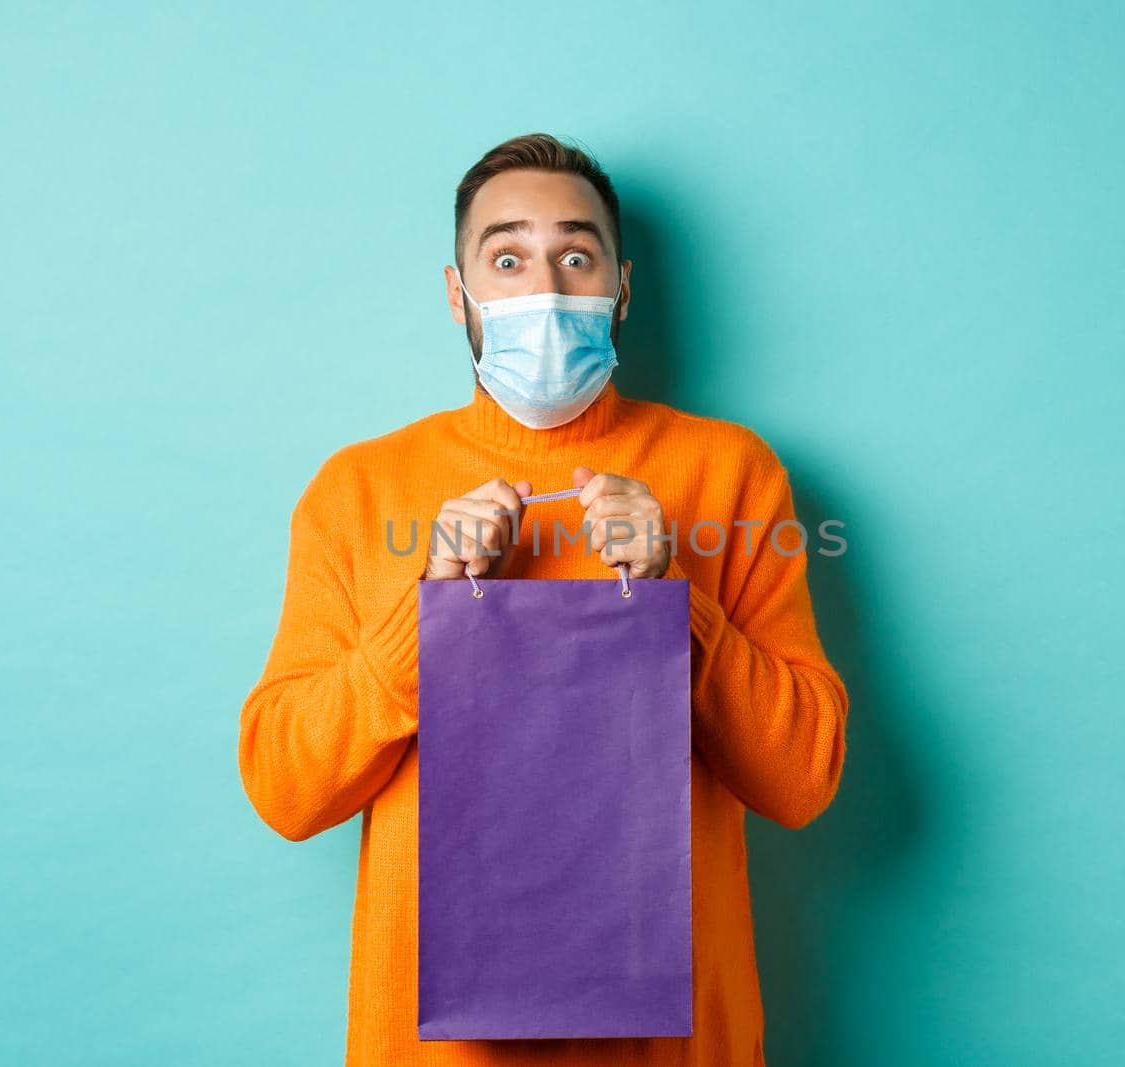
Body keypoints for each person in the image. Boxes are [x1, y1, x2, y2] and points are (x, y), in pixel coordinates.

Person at [238, 132, 850, 1067]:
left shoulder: (730, 476)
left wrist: (676, 602)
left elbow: (801, 778)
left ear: (621, 286)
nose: (546, 290)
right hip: (431, 1046)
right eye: (509, 258)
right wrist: (423, 619)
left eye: (576, 256)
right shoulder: (359, 490)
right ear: (459, 294)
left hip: (672, 1042)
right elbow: (285, 788)